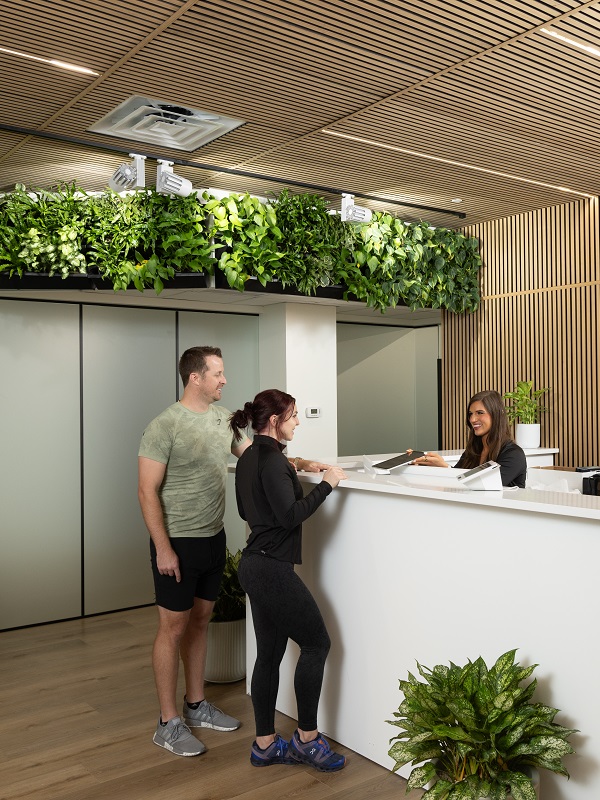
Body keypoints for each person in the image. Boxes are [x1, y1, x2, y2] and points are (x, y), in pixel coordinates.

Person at [138, 347, 330, 757]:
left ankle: (196, 704)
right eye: (218, 374)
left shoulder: (224, 421)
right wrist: (162, 548)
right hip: (177, 541)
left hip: (213, 537)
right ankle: (168, 722)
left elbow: (257, 457)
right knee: (173, 627)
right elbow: (146, 490)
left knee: (201, 621)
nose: (224, 381)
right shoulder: (164, 425)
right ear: (195, 377)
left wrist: (297, 462)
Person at [230, 389, 348, 772]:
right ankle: (306, 740)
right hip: (271, 570)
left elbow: (246, 508)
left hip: (253, 564)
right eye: (294, 415)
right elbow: (290, 515)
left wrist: (296, 464)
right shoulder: (273, 462)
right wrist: (328, 482)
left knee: (268, 655)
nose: (298, 421)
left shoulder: (249, 457)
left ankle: (265, 744)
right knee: (317, 643)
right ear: (276, 421)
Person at [411, 389, 527, 487]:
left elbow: (484, 485)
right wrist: (425, 463)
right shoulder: (473, 451)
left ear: (497, 415)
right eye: (471, 414)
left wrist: (446, 467)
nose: (472, 419)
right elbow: (458, 479)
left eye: (480, 413)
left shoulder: (514, 454)